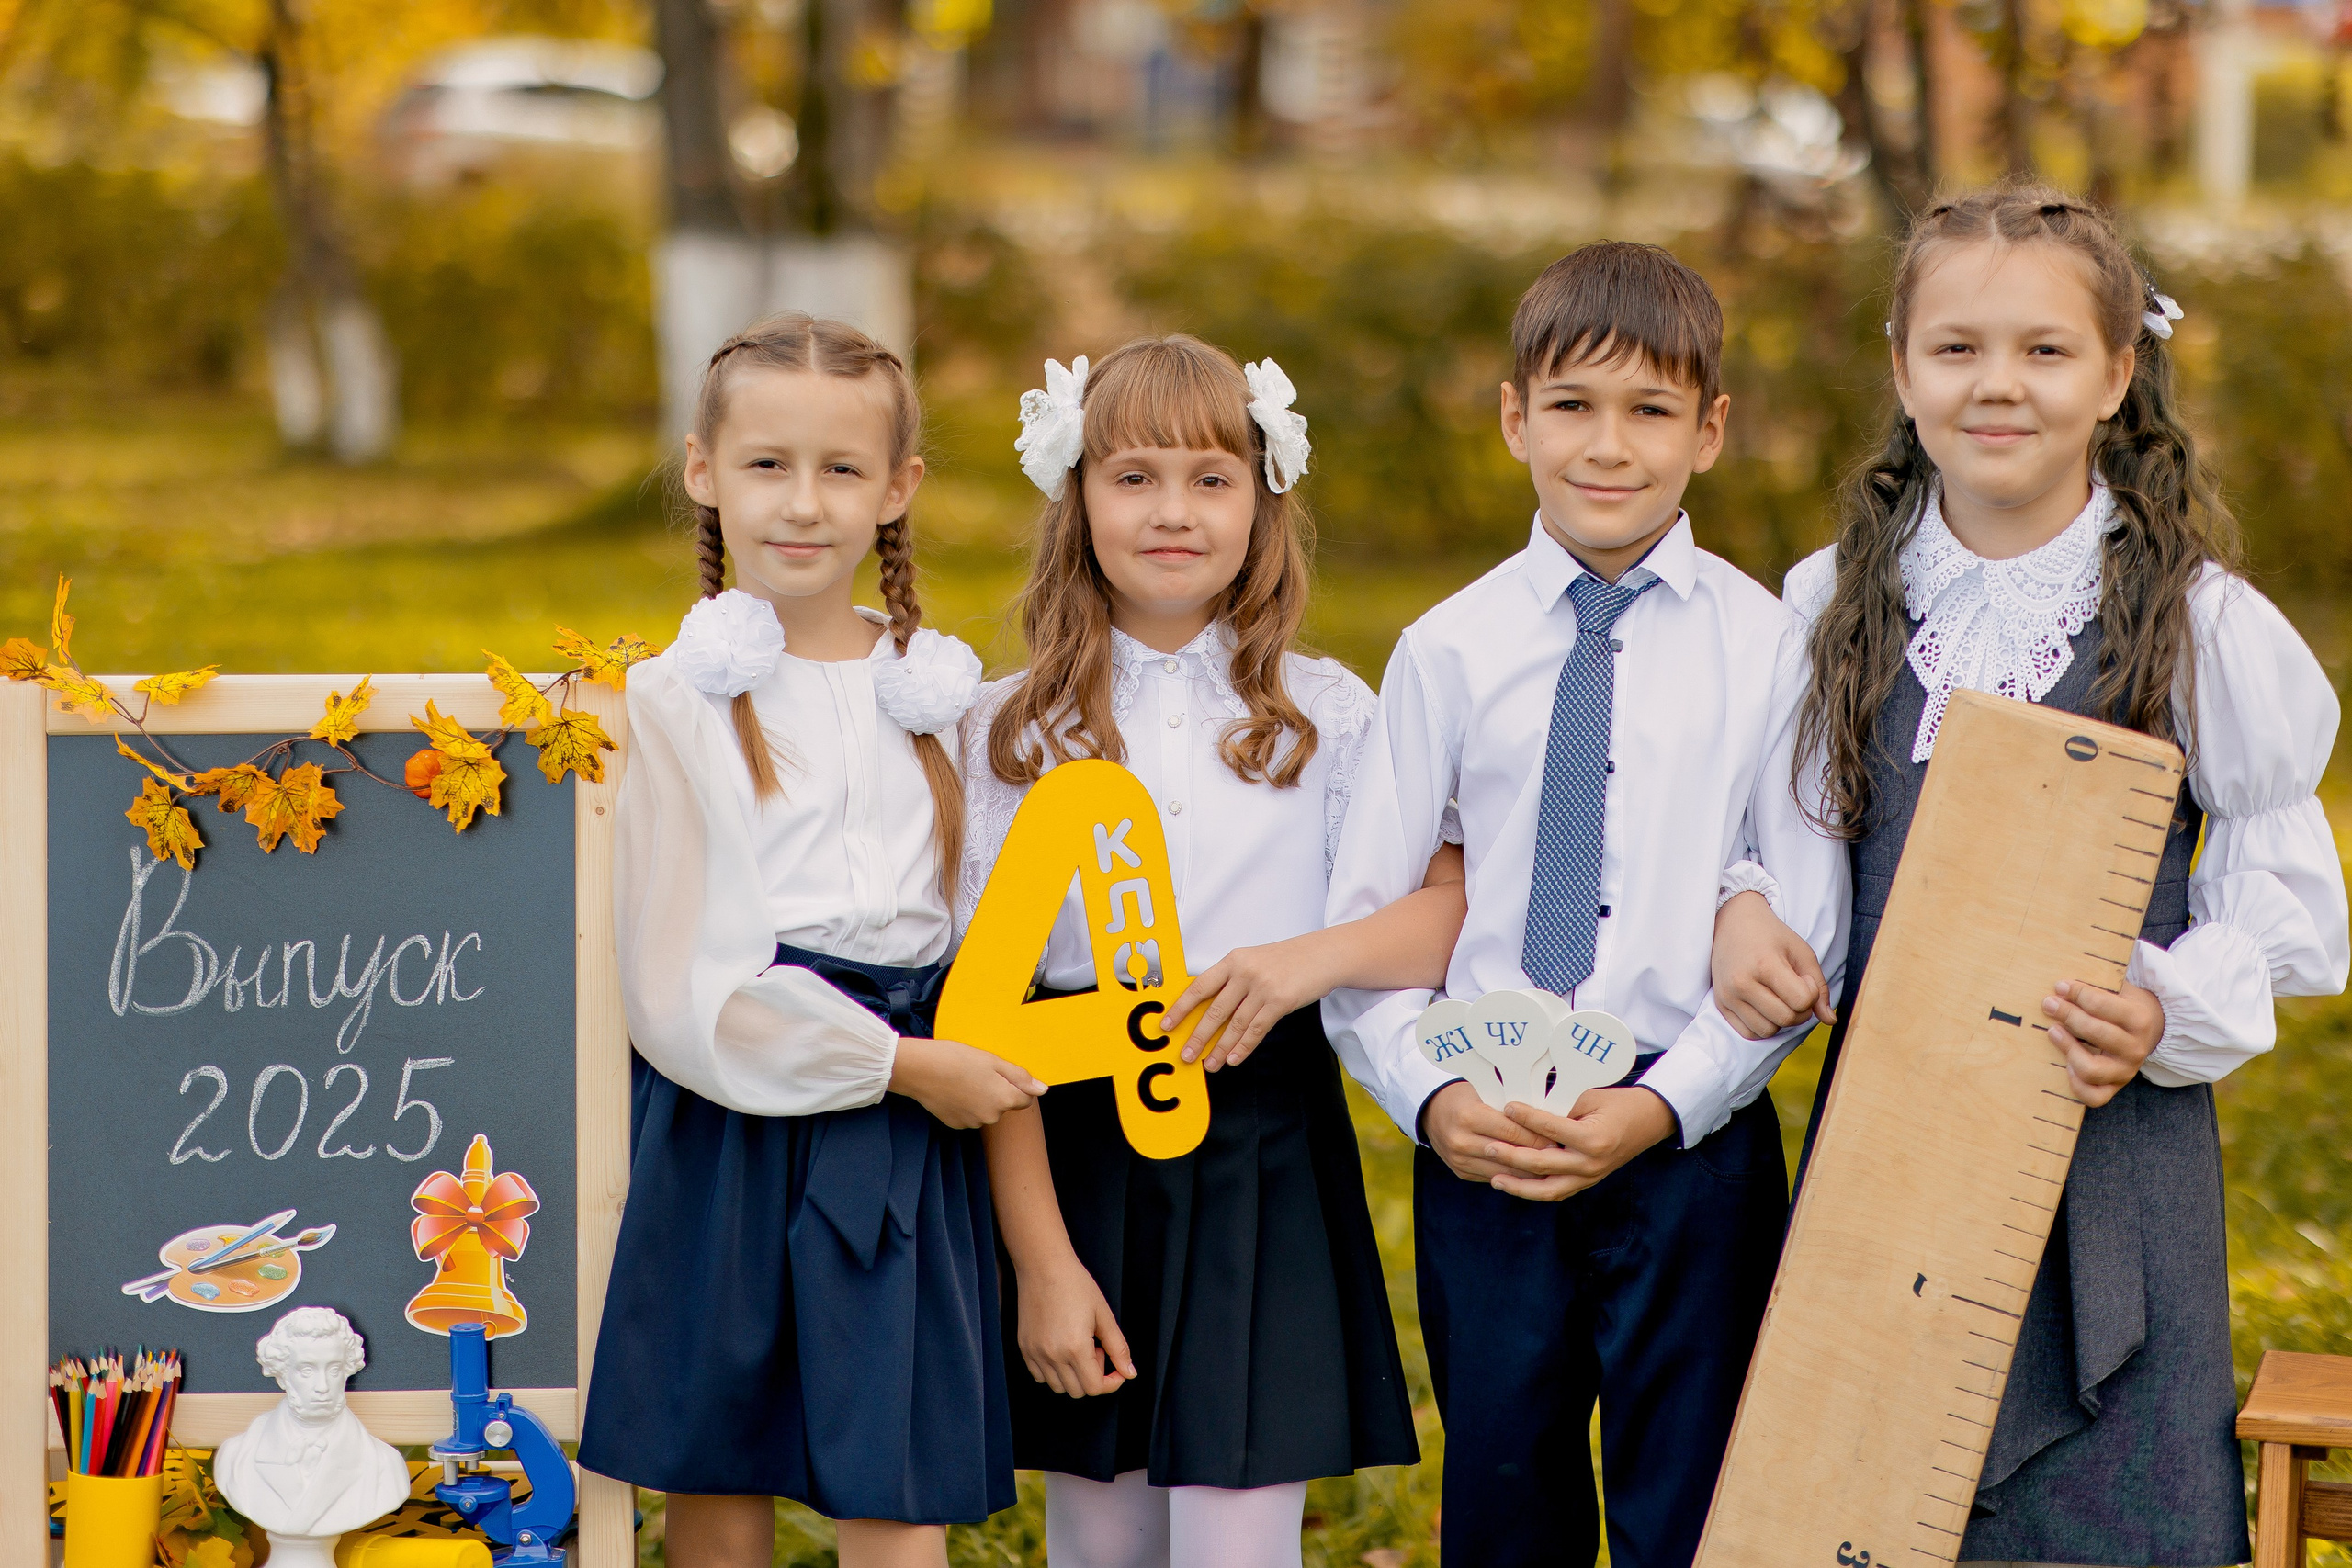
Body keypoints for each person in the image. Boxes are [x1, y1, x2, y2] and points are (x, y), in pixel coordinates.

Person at [1729, 186, 2349, 1568]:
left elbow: (2286, 901)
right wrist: (1749, 908)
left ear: (2119, 371)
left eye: (2044, 350)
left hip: (2112, 1150)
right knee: (1870, 1501)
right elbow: (1784, 850)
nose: (1996, 383)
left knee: (2111, 1500)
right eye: (1955, 348)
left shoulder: (2196, 620)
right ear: (1900, 366)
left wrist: (2170, 1003)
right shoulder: (1832, 600)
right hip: (1888, 1153)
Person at [1321, 241, 1850, 1568]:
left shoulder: (1768, 645)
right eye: (1572, 405)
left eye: (1652, 409)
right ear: (1514, 417)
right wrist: (1434, 1105)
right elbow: (1371, 923)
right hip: (1488, 1139)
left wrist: (1670, 1102)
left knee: (1699, 1504)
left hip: (1691, 1144)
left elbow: (1805, 919)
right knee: (1506, 1501)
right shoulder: (1446, 649)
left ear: (1711, 430)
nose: (1608, 446)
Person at [966, 335, 1443, 1568]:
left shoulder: (1326, 712)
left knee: (1240, 1540)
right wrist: (1043, 1260)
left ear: (1264, 501)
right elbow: (986, 1015)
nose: (1173, 511)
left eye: (1211, 477)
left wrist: (1301, 962)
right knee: (1100, 1533)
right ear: (1075, 497)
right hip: (1076, 1150)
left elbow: (1440, 913)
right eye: (1132, 478)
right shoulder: (1009, 728)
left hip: (1261, 1150)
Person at [576, 313, 1040, 1568]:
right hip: (731, 1115)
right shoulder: (672, 698)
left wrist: (928, 1063)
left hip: (901, 1132)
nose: (803, 501)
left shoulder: (939, 696)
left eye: (843, 469)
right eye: (767, 463)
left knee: (893, 1482)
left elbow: (989, 919)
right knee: (717, 1467)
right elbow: (683, 974)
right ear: (702, 470)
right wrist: (899, 1063)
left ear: (898, 489)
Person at [213, 1306, 409, 1554]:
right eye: (306, 1370)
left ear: (348, 1371)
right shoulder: (237, 1457)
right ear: (282, 1375)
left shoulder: (384, 1465)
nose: (322, 1386)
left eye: (334, 1369)